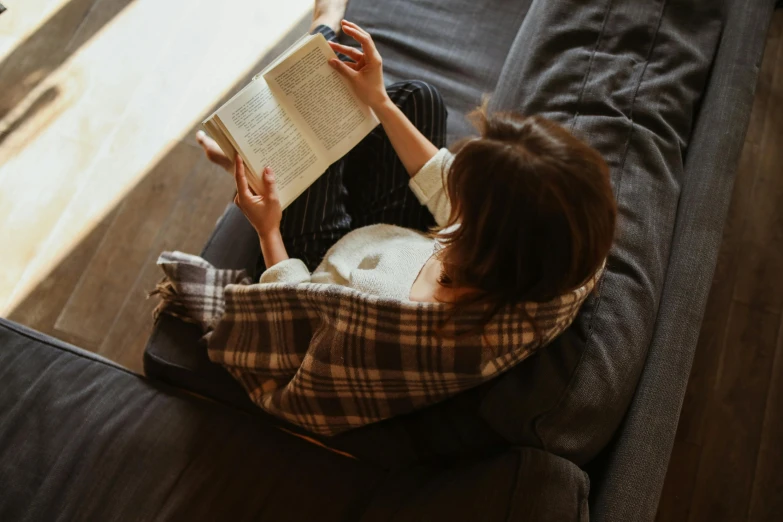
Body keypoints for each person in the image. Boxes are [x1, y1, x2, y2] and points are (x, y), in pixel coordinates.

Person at [195, 18, 616, 335]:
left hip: (319, 266)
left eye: (462, 195)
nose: (450, 180)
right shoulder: (530, 250)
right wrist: (377, 99)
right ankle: (281, 145)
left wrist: (268, 230)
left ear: (475, 237)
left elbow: (297, 317)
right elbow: (441, 176)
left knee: (300, 147)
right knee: (418, 98)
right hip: (395, 240)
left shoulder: (389, 308)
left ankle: (246, 160)